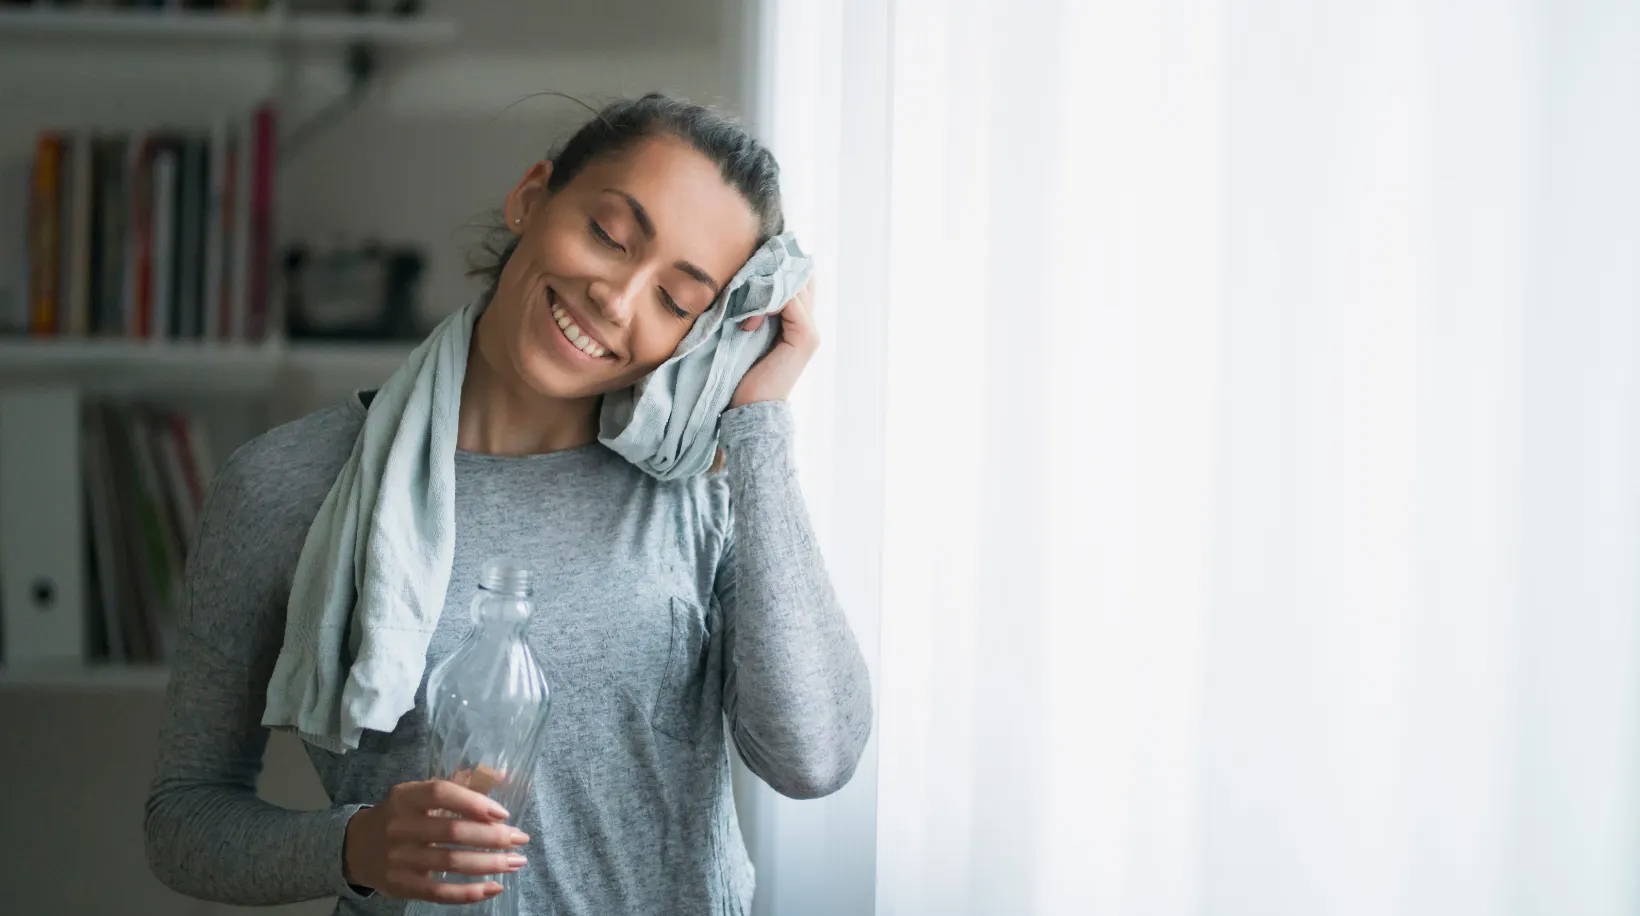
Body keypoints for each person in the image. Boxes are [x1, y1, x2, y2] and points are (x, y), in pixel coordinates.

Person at [144, 92, 873, 915]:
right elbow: (184, 819)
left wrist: (760, 425)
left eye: (677, 300)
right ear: (533, 195)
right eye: (609, 234)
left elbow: (814, 758)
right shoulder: (288, 483)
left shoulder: (705, 490)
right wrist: (354, 846)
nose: (618, 297)